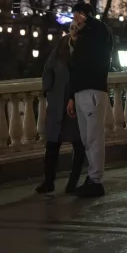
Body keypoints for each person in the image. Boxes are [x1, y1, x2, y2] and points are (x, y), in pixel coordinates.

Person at [66, 3, 113, 198]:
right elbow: (74, 70)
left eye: (79, 16)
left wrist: (88, 20)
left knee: (94, 139)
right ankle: (92, 178)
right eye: (74, 16)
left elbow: (101, 29)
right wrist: (71, 96)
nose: (75, 20)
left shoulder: (100, 33)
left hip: (93, 91)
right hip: (81, 92)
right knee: (87, 140)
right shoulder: (82, 40)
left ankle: (96, 180)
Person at [36, 21, 85, 195]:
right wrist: (48, 89)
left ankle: (73, 182)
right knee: (52, 144)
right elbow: (48, 68)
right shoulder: (61, 45)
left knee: (78, 144)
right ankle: (48, 181)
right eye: (71, 28)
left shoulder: (85, 47)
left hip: (76, 101)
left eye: (77, 29)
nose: (73, 31)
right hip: (57, 100)